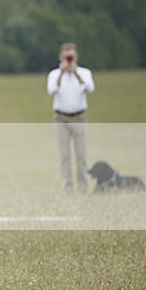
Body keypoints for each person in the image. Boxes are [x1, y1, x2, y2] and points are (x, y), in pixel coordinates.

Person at [46, 42, 95, 193]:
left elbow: (90, 88)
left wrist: (76, 73)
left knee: (81, 155)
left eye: (71, 56)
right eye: (66, 56)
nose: (69, 59)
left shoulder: (84, 73)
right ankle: (67, 187)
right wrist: (62, 73)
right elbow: (52, 90)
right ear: (60, 57)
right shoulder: (54, 74)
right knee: (64, 155)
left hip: (79, 117)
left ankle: (82, 187)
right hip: (61, 118)